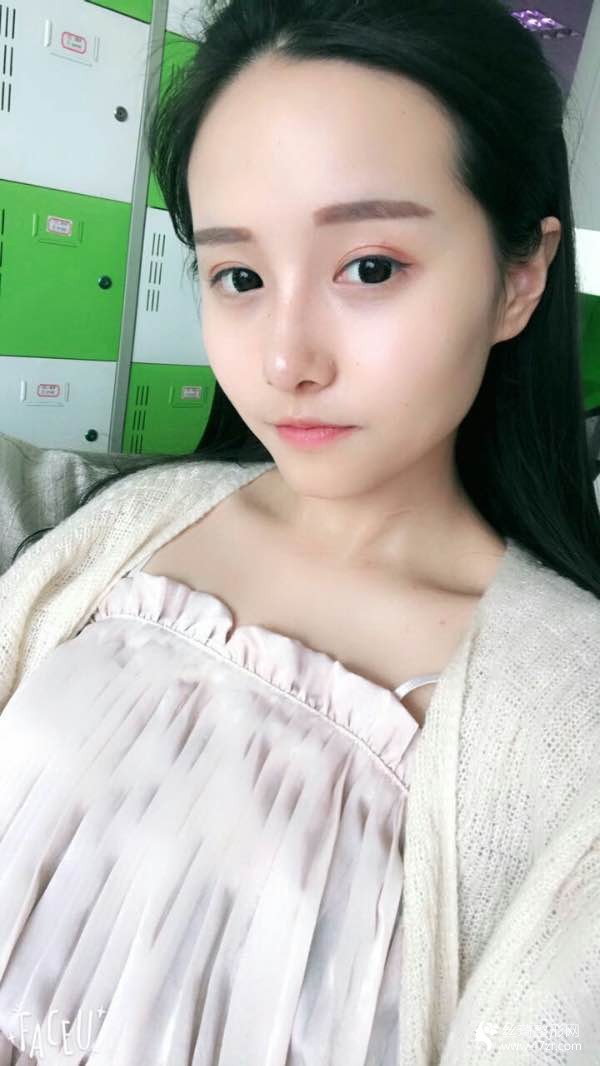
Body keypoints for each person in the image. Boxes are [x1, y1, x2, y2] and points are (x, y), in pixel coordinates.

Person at [0, 1, 599, 1063]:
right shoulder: (115, 530)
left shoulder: (571, 720)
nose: (285, 361)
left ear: (519, 278)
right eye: (239, 276)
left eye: (369, 267)